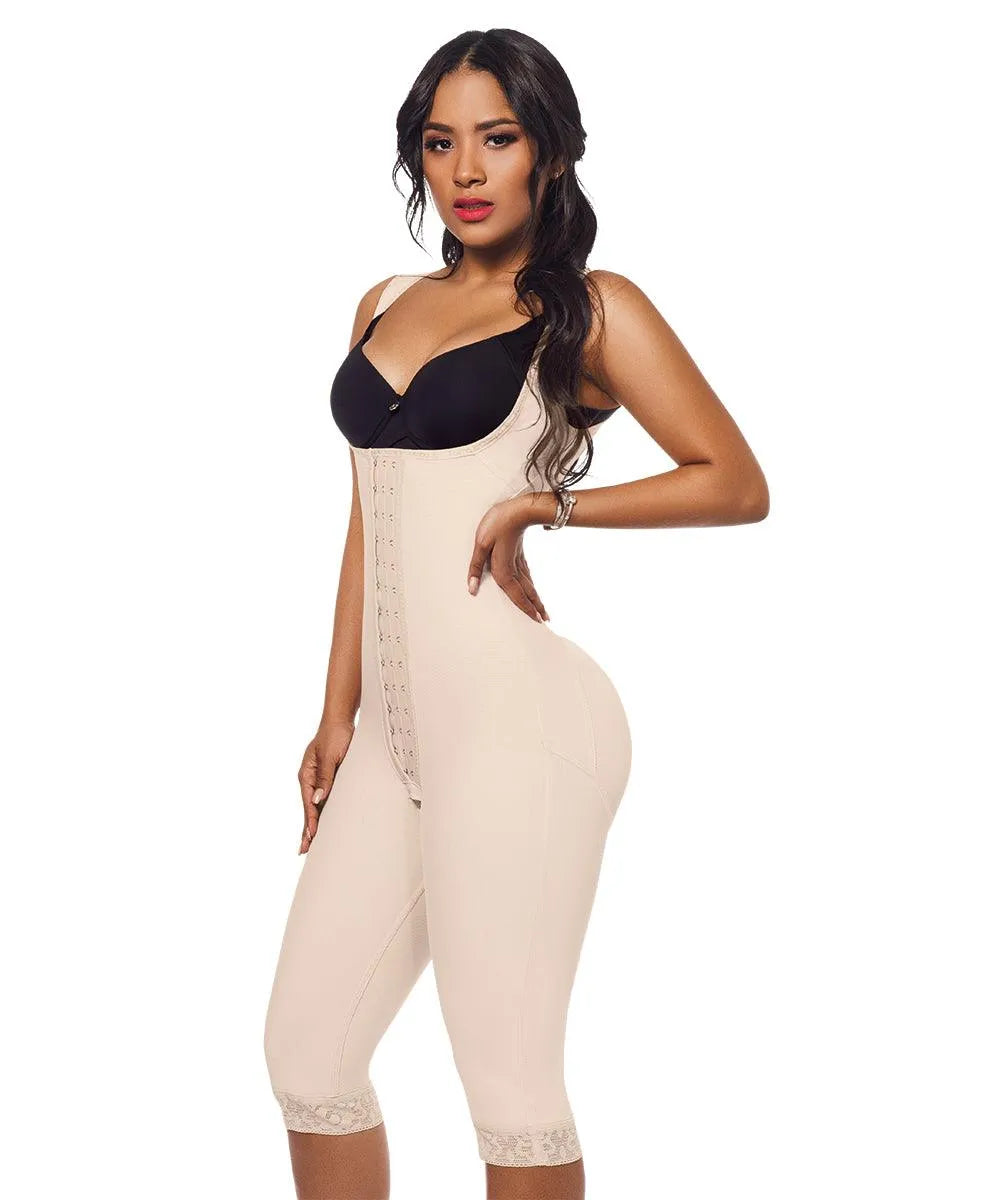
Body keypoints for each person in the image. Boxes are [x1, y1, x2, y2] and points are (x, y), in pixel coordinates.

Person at [263, 27, 769, 1200]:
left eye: (495, 138)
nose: (466, 170)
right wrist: (337, 714)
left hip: (518, 727)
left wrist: (552, 503)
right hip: (393, 739)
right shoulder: (383, 302)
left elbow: (733, 480)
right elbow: (366, 518)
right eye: (440, 144)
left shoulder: (592, 309)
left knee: (508, 1085)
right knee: (307, 1053)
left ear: (549, 150)